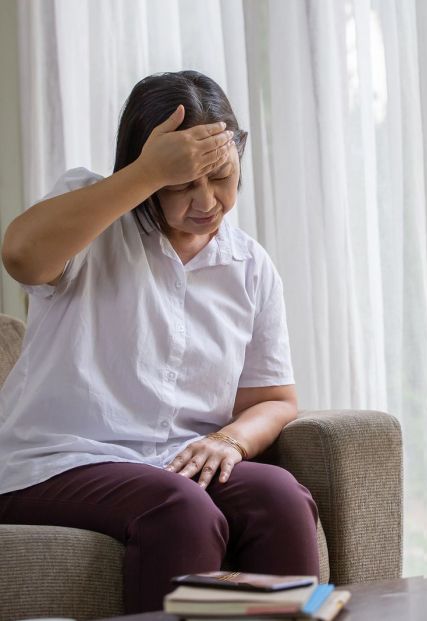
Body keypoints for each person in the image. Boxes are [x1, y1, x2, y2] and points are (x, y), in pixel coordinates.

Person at [0, 70, 320, 614]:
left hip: (173, 463)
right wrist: (146, 173)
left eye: (220, 177)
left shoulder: (249, 266)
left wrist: (232, 442)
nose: (206, 202)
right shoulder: (94, 217)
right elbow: (21, 255)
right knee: (181, 509)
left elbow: (273, 398)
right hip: (56, 462)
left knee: (280, 498)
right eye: (181, 184)